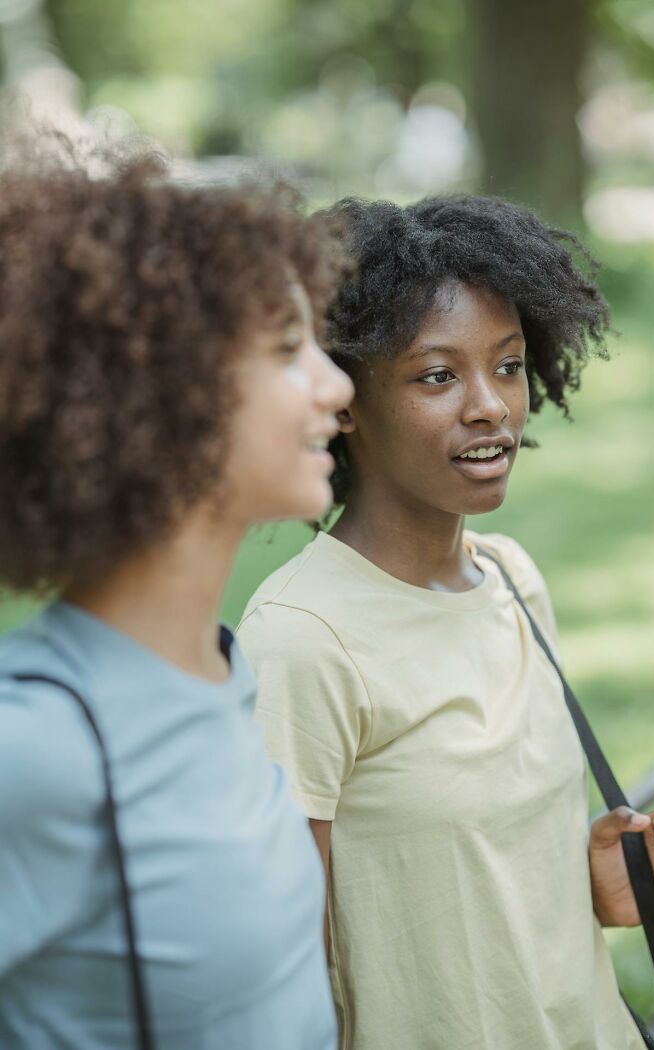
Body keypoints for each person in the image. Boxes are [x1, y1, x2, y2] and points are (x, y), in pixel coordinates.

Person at [237, 195, 654, 1050]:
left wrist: (582, 885)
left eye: (511, 365)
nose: (490, 406)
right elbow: (279, 973)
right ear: (344, 402)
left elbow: (460, 873)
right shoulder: (304, 639)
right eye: (437, 376)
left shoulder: (511, 578)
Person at [0, 134, 353, 1049]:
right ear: (161, 395)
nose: (338, 384)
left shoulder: (224, 673)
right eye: (287, 348)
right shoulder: (36, 745)